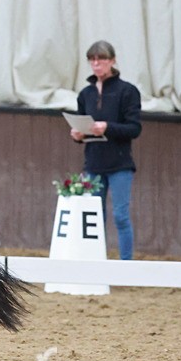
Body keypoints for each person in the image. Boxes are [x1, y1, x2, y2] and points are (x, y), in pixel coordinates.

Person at [70, 40, 141, 259]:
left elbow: (134, 128)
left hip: (120, 164)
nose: (96, 63)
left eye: (101, 59)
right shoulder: (85, 94)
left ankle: (126, 265)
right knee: (94, 217)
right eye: (92, 59)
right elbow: (82, 123)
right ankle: (95, 261)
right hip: (94, 163)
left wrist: (107, 127)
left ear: (112, 61)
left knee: (120, 216)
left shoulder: (127, 91)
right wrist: (78, 135)